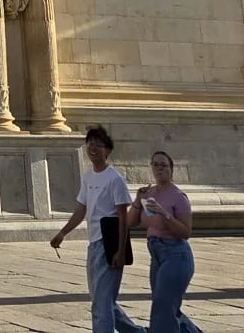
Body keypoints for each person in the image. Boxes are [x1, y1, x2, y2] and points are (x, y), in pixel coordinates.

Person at [49, 125, 134, 333]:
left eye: (98, 144)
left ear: (107, 150)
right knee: (100, 299)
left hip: (110, 244)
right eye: (90, 144)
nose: (93, 148)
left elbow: (122, 217)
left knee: (102, 304)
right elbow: (81, 210)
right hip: (94, 244)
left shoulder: (115, 179)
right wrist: (63, 233)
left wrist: (120, 251)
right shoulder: (88, 177)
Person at [131, 151, 195, 333]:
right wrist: (137, 201)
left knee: (162, 307)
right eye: (156, 165)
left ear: (171, 169)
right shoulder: (149, 193)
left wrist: (165, 214)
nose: (159, 168)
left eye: (164, 165)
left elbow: (185, 232)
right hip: (156, 255)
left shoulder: (178, 197)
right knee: (166, 305)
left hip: (176, 255)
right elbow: (130, 222)